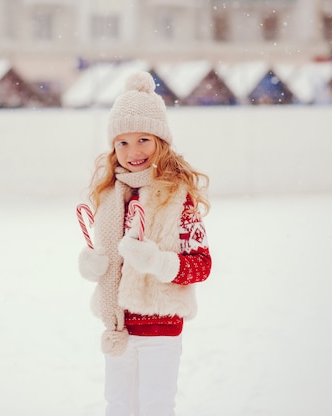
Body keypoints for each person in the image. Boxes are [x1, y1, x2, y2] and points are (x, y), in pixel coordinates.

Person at [77, 71, 212, 416]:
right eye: (122, 142)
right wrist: (92, 264)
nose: (132, 151)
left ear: (161, 141)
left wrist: (155, 261)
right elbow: (110, 259)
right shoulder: (109, 197)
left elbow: (201, 266)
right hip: (118, 324)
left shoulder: (177, 197)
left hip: (161, 327)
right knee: (118, 406)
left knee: (155, 406)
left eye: (143, 140)